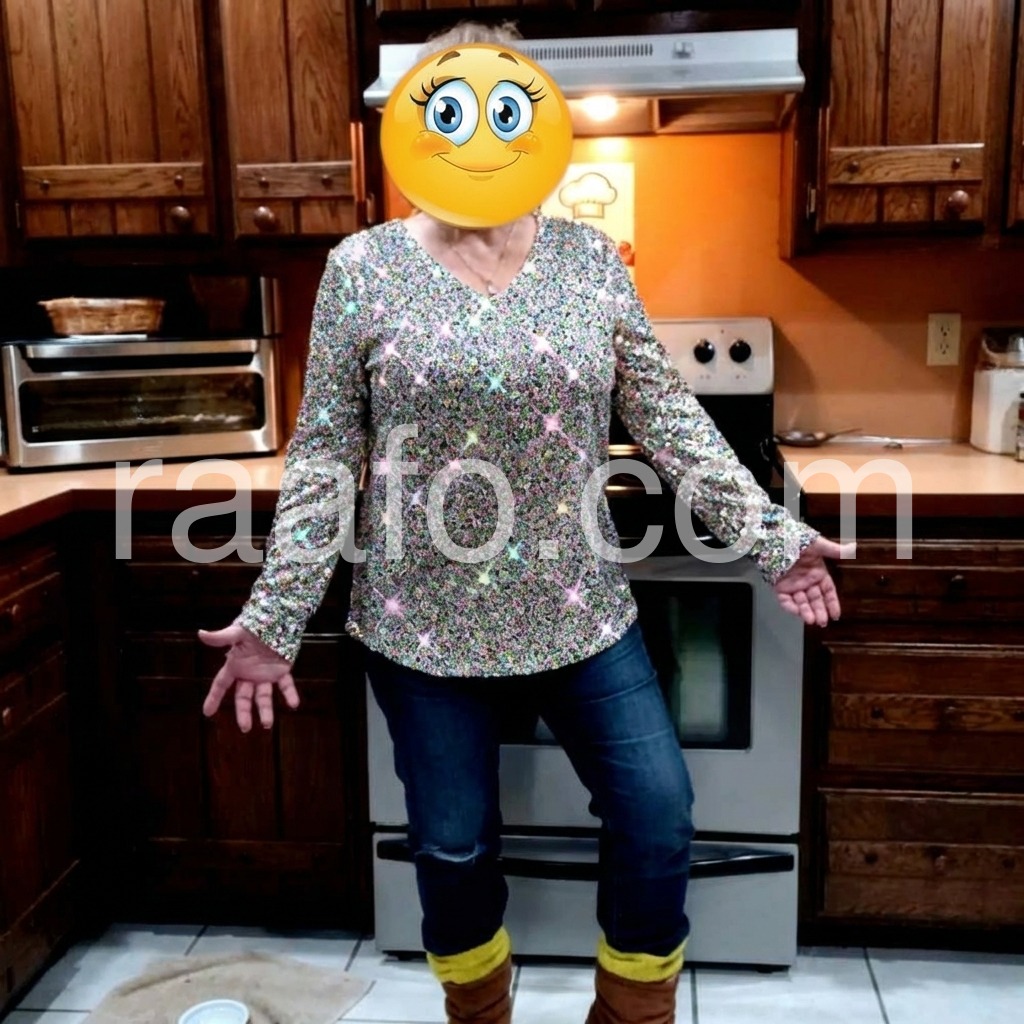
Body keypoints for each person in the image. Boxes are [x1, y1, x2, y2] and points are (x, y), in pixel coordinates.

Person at [199, 21, 852, 1024]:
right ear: (417, 132)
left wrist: (771, 535)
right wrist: (275, 617)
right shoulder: (361, 269)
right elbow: (324, 458)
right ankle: (481, 1012)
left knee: (658, 814)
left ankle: (629, 1012)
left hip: (578, 611)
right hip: (421, 624)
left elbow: (667, 418)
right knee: (453, 846)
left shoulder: (590, 262)